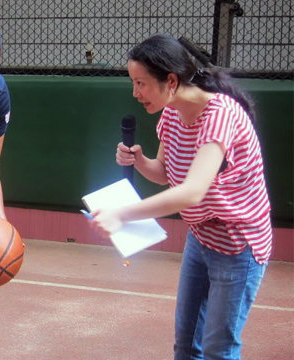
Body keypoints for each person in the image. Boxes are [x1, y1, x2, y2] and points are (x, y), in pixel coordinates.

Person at [89, 34, 272, 360]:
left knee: (219, 349)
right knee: (186, 346)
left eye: (141, 83)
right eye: (133, 83)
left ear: (170, 80)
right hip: (201, 238)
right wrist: (140, 161)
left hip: (238, 243)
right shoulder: (172, 113)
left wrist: (122, 213)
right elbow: (166, 172)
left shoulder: (219, 114)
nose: (135, 93)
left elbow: (191, 191)